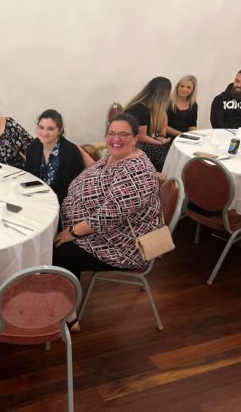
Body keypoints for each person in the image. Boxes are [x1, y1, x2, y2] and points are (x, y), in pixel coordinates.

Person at [53, 114, 162, 329]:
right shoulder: (115, 156)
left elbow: (107, 217)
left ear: (135, 138)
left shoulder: (137, 171)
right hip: (100, 229)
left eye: (123, 134)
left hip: (122, 244)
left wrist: (72, 232)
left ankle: (68, 314)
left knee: (61, 250)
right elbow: (96, 170)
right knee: (50, 230)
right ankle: (52, 291)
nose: (116, 139)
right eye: (111, 133)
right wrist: (78, 150)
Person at [24, 109, 92, 204]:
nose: (44, 133)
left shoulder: (70, 152)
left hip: (61, 203)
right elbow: (29, 177)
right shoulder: (34, 146)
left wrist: (46, 201)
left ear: (60, 130)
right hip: (36, 199)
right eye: (41, 127)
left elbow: (70, 190)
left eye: (50, 129)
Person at [124, 77, 172, 171]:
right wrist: (159, 142)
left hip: (137, 142)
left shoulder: (147, 105)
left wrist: (162, 135)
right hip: (130, 144)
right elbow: (141, 137)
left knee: (168, 151)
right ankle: (158, 176)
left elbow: (163, 114)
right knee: (165, 158)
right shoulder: (139, 109)